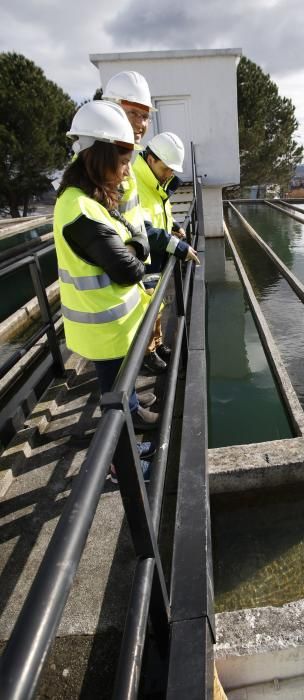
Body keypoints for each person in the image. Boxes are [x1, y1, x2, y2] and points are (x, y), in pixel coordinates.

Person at [53, 100, 159, 441]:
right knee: (113, 400)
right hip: (104, 326)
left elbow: (132, 241)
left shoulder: (89, 195)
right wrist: (136, 247)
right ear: (100, 158)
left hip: (113, 323)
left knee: (121, 385)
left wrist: (134, 244)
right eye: (123, 162)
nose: (128, 171)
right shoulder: (81, 209)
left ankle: (133, 413)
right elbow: (129, 269)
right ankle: (119, 463)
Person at [102, 72, 199, 375]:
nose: (170, 175)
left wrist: (173, 230)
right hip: (138, 257)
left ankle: (155, 345)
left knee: (156, 304)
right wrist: (176, 245)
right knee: (144, 307)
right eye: (167, 168)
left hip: (150, 254)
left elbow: (159, 216)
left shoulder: (153, 181)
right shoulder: (136, 180)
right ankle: (146, 354)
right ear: (153, 159)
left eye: (144, 116)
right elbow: (140, 224)